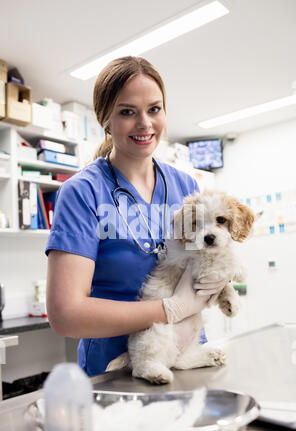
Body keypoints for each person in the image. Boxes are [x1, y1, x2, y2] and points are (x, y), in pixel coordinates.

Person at [45, 56, 227, 377]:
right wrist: (171, 309)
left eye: (154, 109)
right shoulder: (83, 192)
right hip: (113, 372)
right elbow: (65, 315)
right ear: (106, 119)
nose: (145, 124)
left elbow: (208, 251)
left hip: (186, 357)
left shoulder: (185, 185)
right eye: (127, 112)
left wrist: (218, 274)